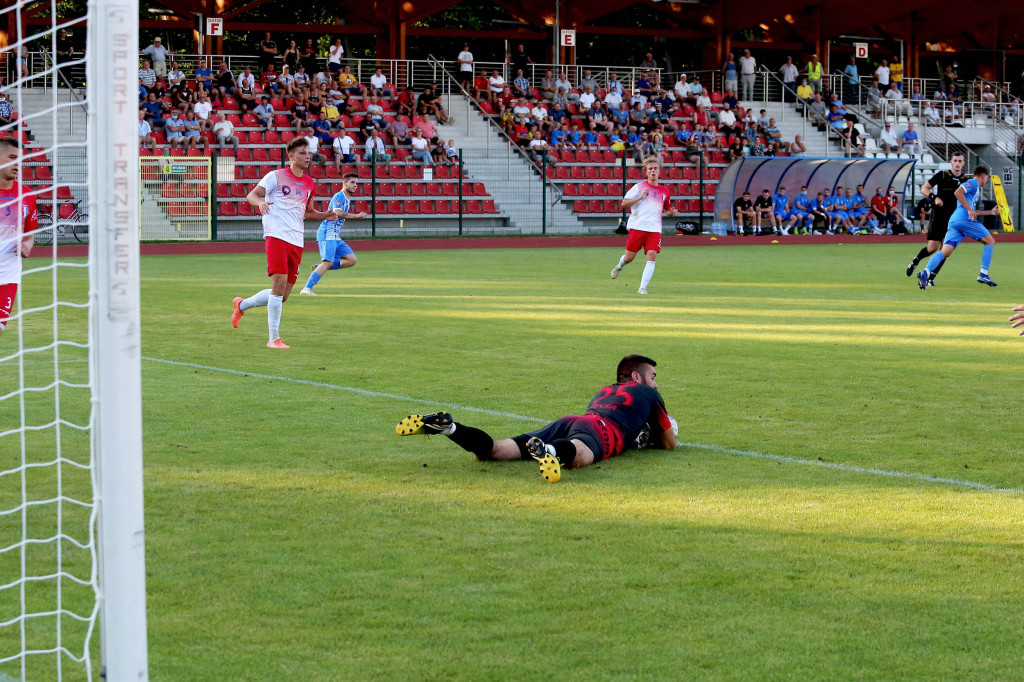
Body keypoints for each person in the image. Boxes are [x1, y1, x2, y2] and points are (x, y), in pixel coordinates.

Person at [395, 355, 676, 483]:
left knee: (497, 450)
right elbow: (668, 443)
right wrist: (651, 436)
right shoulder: (649, 395)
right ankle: (550, 452)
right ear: (637, 377)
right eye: (653, 377)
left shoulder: (605, 390)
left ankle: (450, 428)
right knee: (582, 455)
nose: (656, 384)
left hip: (573, 419)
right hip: (601, 428)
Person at [232, 138, 336, 348]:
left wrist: (326, 214)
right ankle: (273, 339)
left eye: (308, 153)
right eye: (302, 153)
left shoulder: (309, 183)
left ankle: (241, 305)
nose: (307, 156)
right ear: (291, 156)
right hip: (276, 235)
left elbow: (307, 212)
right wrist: (261, 203)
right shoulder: (275, 176)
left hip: (296, 240)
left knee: (283, 295)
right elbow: (251, 195)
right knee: (278, 286)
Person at [917, 166, 1001, 290]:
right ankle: (983, 274)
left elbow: (970, 209)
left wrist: (990, 212)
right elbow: (957, 192)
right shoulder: (973, 182)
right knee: (990, 241)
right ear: (983, 176)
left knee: (945, 252)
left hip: (955, 222)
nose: (986, 181)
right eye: (986, 178)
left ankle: (925, 273)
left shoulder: (973, 191)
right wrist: (969, 209)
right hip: (964, 220)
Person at [610, 156, 678, 295]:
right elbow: (623, 203)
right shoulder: (639, 187)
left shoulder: (665, 191)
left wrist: (672, 212)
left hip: (654, 229)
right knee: (629, 258)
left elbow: (667, 210)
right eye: (650, 169)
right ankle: (619, 266)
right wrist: (641, 197)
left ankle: (642, 288)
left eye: (655, 169)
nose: (653, 171)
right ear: (646, 172)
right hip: (638, 227)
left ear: (659, 171)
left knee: (652, 254)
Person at [299, 173, 367, 296]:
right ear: (344, 183)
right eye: (352, 182)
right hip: (327, 234)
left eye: (356, 183)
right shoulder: (340, 196)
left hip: (335, 236)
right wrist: (357, 215)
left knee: (351, 260)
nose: (355, 185)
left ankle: (320, 267)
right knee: (328, 262)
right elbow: (337, 212)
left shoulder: (346, 198)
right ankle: (307, 288)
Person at [906, 152, 966, 283]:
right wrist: (935, 198)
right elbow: (924, 188)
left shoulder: (965, 180)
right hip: (938, 215)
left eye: (960, 161)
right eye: (955, 160)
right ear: (951, 161)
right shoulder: (942, 175)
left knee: (945, 250)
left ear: (963, 163)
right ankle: (916, 259)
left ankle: (930, 278)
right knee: (931, 248)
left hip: (954, 220)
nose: (957, 163)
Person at [0, 139, 38, 339]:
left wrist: (26, 245)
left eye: (20, 159)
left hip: (7, 275)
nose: (17, 164)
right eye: (12, 158)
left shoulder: (28, 195)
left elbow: (30, 235)